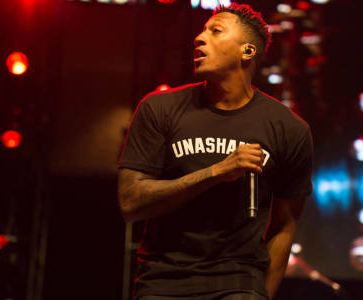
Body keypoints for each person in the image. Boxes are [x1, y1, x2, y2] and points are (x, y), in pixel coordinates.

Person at [117, 3, 313, 300]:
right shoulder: (159, 109)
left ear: (247, 52)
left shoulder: (289, 129)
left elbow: (285, 227)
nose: (199, 37)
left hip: (238, 283)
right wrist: (217, 171)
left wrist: (262, 295)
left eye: (215, 31)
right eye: (202, 30)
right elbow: (130, 203)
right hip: (162, 282)